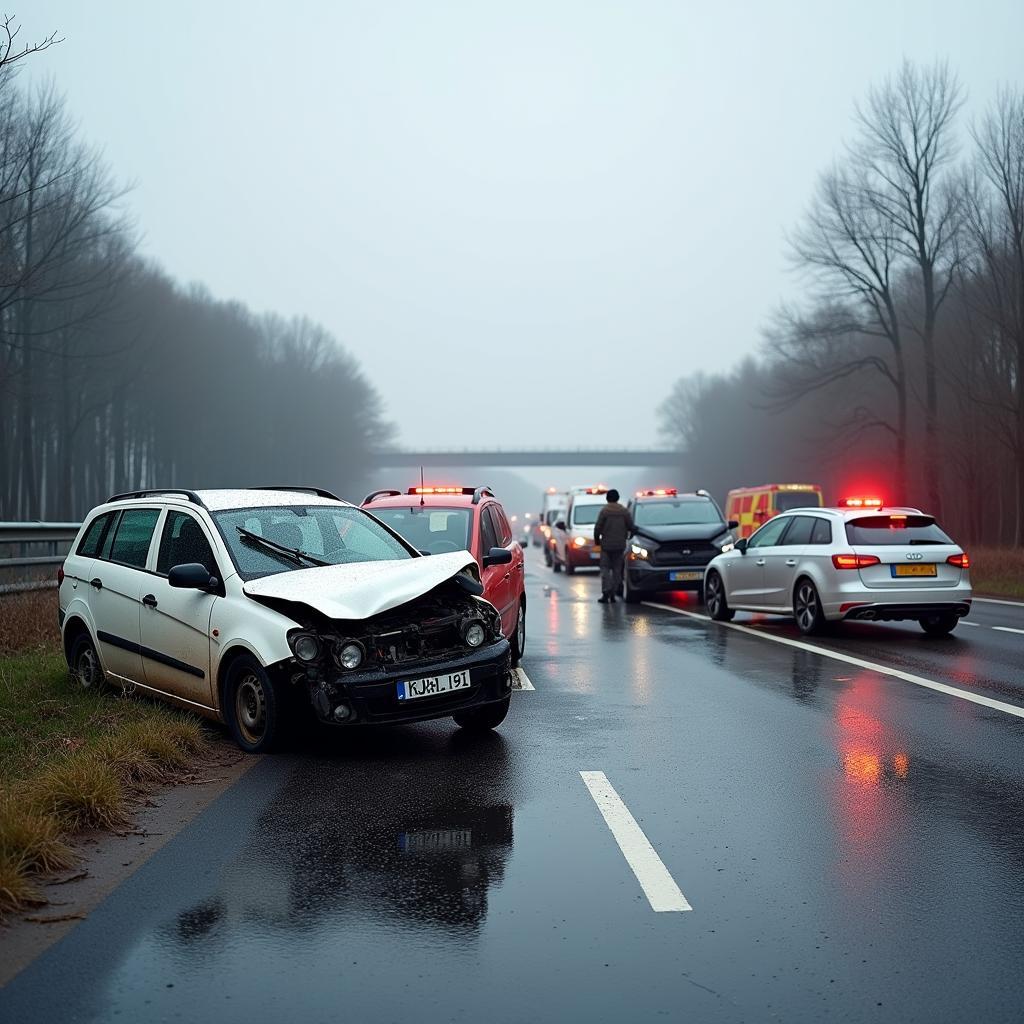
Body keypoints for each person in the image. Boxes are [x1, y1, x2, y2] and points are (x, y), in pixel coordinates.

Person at [593, 489, 633, 603]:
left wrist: (597, 541)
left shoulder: (604, 511)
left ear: (607, 498)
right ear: (618, 498)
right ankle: (614, 593)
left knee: (605, 568)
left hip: (606, 546)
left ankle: (606, 591)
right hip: (620, 545)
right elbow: (631, 526)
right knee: (617, 569)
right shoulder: (624, 511)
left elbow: (598, 527)